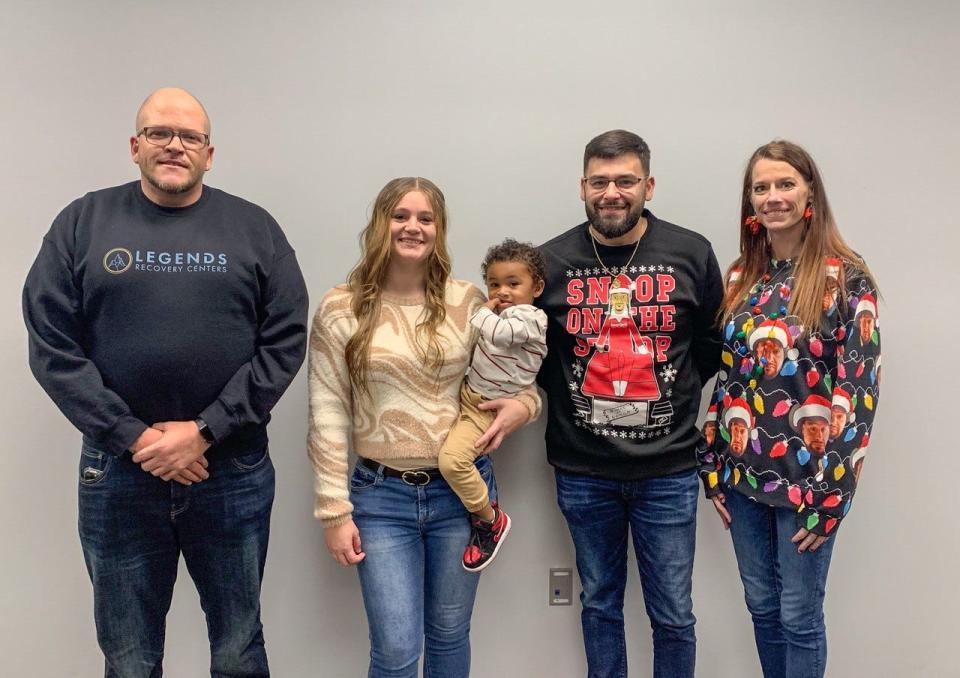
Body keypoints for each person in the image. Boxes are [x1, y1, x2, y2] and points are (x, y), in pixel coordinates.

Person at [22, 87, 308, 677]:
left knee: (238, 649)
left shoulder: (254, 229)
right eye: (159, 133)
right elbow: (52, 344)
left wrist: (206, 430)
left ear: (210, 153)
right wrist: (135, 437)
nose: (174, 145)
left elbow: (284, 341)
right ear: (135, 146)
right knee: (128, 657)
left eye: (190, 136)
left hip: (231, 470)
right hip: (118, 472)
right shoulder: (83, 222)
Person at [308, 177, 539, 677]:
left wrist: (526, 406)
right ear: (380, 224)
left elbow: (516, 375)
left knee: (450, 636)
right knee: (395, 649)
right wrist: (332, 511)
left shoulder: (469, 301)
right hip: (379, 498)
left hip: (462, 494)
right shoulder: (340, 307)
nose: (413, 227)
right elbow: (326, 412)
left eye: (426, 218)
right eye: (401, 216)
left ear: (439, 229)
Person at [536, 129, 724, 678]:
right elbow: (537, 353)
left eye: (625, 180)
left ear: (648, 184)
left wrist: (671, 390)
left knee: (672, 614)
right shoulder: (551, 260)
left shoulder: (690, 252)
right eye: (600, 181)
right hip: (582, 469)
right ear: (582, 187)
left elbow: (710, 345)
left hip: (667, 469)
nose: (612, 192)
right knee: (597, 603)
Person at [699, 139, 881, 678]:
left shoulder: (845, 277)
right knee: (762, 608)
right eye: (761, 187)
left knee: (800, 617)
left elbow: (860, 388)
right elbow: (730, 376)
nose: (772, 196)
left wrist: (835, 492)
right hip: (744, 477)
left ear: (809, 195)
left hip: (811, 480)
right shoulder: (740, 279)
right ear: (749, 203)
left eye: (784, 184)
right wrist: (712, 461)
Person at [438, 238, 547, 572]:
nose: (503, 291)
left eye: (514, 284)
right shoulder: (505, 313)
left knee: (452, 462)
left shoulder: (529, 318)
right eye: (495, 284)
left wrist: (482, 309)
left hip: (485, 409)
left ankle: (489, 519)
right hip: (469, 396)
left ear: (537, 287)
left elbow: (498, 334)